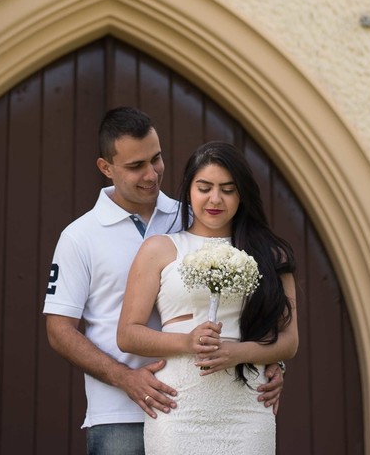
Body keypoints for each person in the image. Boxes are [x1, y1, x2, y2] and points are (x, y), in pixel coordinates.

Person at [44, 108, 283, 455]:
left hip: (199, 399)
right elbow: (59, 330)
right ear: (105, 168)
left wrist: (271, 361)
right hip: (117, 412)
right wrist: (124, 378)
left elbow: (247, 300)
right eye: (135, 166)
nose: (151, 174)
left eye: (156, 159)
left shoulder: (194, 217)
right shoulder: (79, 237)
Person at [116, 141, 298, 455]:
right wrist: (187, 342)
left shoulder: (270, 254)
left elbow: (289, 341)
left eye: (228, 189)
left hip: (247, 408)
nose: (215, 199)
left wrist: (239, 352)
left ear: (242, 195)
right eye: (205, 187)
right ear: (189, 190)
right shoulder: (160, 249)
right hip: (178, 404)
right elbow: (128, 334)